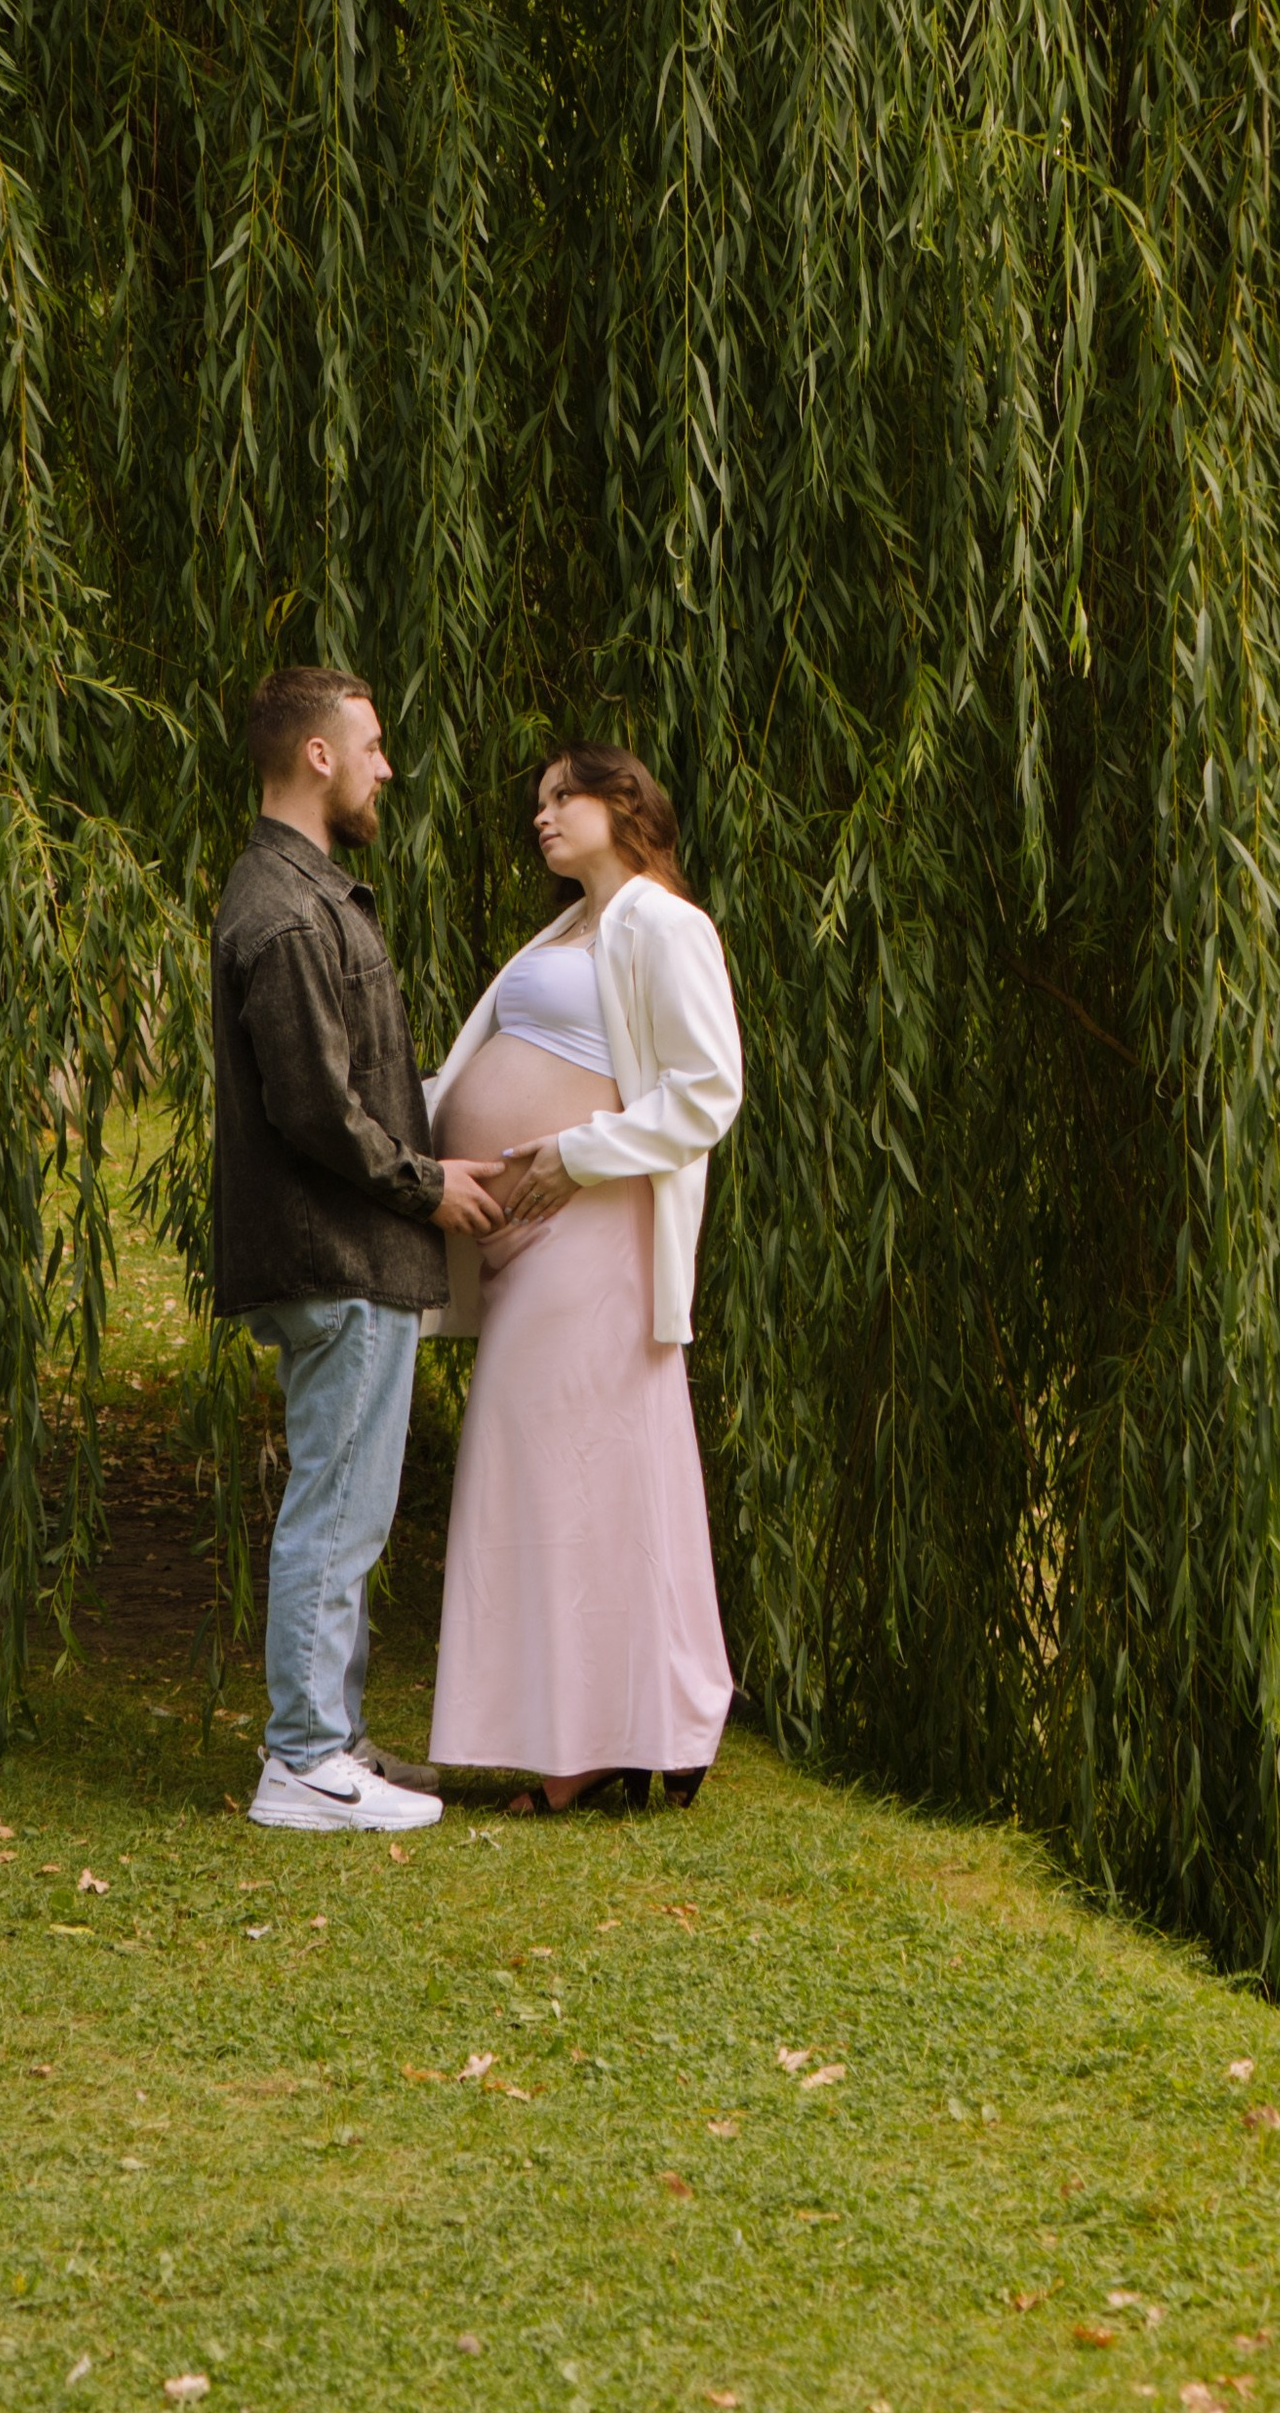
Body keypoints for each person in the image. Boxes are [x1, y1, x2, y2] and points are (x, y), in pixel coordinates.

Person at [211, 665, 508, 1833]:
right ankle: (300, 1765)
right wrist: (428, 1185)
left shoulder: (305, 894)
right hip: (337, 1255)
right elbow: (316, 1108)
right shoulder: (283, 912)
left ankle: (335, 1744)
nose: (388, 765)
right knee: (335, 1510)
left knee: (351, 1506)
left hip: (349, 1256)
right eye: (373, 745)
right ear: (318, 756)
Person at [426, 744, 743, 1810]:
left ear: (625, 804)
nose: (543, 816)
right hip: (530, 1239)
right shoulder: (566, 927)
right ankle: (631, 1725)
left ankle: (595, 1743)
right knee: (572, 1474)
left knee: (568, 1472)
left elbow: (708, 1091)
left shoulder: (663, 923)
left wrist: (575, 1150)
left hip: (595, 1231)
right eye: (538, 802)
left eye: (565, 797)